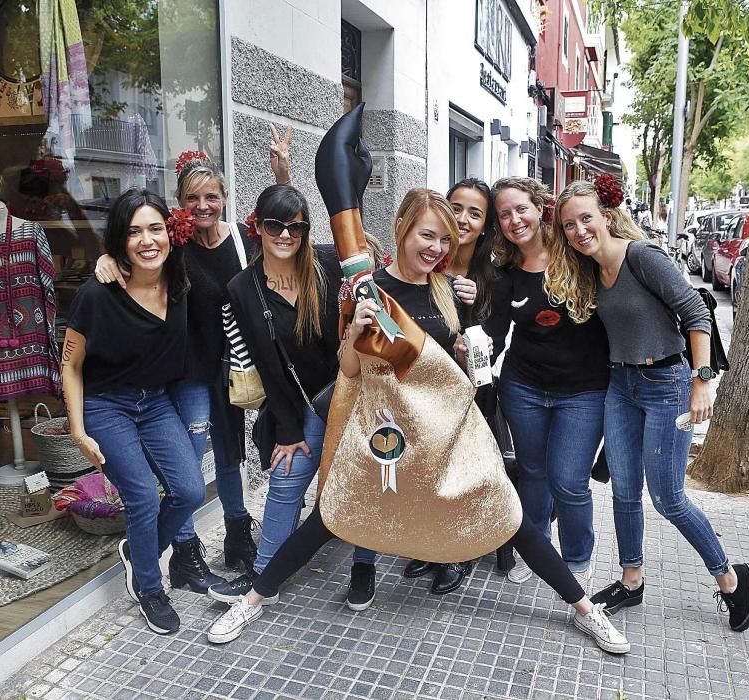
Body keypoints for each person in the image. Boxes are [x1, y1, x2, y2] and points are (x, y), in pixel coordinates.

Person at [204, 188, 630, 656]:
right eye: (428, 236)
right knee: (329, 517)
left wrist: (469, 354)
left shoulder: (447, 290)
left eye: (446, 240)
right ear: (403, 228)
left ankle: (585, 609)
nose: (438, 249)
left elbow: (458, 369)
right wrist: (355, 331)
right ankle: (252, 600)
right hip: (387, 435)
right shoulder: (368, 290)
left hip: (447, 436)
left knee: (511, 518)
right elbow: (348, 371)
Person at [551, 177, 749, 632]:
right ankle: (632, 580)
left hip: (666, 382)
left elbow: (697, 311)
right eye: (569, 225)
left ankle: (731, 578)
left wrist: (702, 380)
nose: (578, 230)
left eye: (586, 218)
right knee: (624, 490)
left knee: (668, 498)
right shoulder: (589, 271)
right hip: (620, 385)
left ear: (606, 216)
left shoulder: (641, 256)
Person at [94, 152, 291, 592]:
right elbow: (133, 256)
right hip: (188, 371)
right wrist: (106, 259)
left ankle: (237, 536)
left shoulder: (242, 238)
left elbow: (285, 227)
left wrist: (281, 174)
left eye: (211, 196)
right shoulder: (173, 244)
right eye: (192, 198)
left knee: (228, 453)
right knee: (187, 460)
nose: (203, 205)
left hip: (233, 367)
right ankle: (184, 552)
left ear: (224, 197)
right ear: (179, 203)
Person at [206, 184, 379, 610]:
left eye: (296, 227)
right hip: (306, 405)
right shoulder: (242, 288)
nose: (285, 235)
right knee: (285, 482)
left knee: (362, 480)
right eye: (274, 225)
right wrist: (286, 429)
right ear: (256, 227)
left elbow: (366, 260)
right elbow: (266, 366)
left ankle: (363, 566)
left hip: (354, 391)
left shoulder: (324, 264)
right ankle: (264, 576)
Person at [62, 189, 204, 634]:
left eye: (156, 228)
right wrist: (78, 429)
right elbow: (70, 362)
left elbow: (227, 257)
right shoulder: (98, 292)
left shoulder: (180, 283)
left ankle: (138, 550)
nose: (147, 240)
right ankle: (149, 587)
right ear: (121, 240)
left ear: (170, 233)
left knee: (190, 491)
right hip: (107, 405)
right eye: (134, 231)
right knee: (142, 495)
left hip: (156, 402)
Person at [479, 176, 610, 593]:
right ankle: (536, 552)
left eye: (521, 208)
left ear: (540, 208)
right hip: (524, 389)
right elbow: (494, 336)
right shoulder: (506, 276)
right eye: (505, 214)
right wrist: (470, 350)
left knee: (568, 480)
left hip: (584, 391)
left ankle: (577, 556)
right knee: (533, 474)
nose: (515, 219)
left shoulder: (577, 256)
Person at [402, 177, 506, 595]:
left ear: (485, 226)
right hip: (424, 391)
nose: (463, 219)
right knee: (428, 469)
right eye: (457, 207)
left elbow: (490, 342)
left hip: (471, 389)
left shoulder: (492, 275)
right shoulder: (426, 259)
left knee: (462, 471)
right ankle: (431, 544)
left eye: (475, 213)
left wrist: (475, 302)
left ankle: (458, 553)